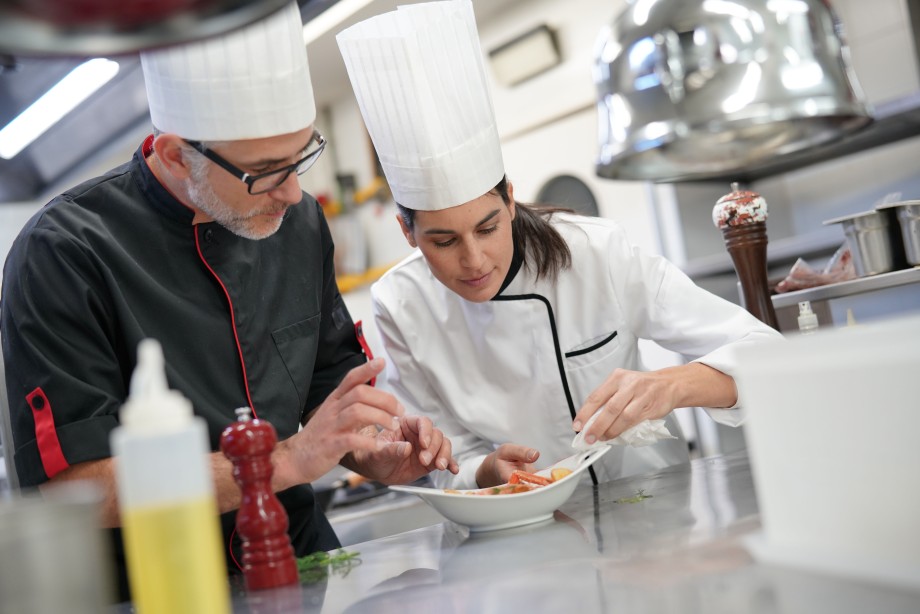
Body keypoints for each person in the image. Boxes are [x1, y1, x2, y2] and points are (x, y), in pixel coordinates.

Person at [0, 2, 456, 599]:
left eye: (302, 157)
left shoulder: (299, 223)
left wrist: (377, 453)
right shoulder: (64, 253)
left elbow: (332, 395)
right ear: (173, 155)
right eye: (264, 173)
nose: (293, 193)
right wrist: (287, 460)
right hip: (159, 590)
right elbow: (73, 489)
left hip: (306, 571)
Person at [337, 0, 783, 491]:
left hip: (654, 510)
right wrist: (483, 472)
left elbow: (767, 355)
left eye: (487, 228)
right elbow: (438, 454)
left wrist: (671, 385)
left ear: (509, 201)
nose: (474, 259)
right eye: (443, 241)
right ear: (408, 234)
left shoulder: (596, 253)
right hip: (517, 538)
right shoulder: (401, 303)